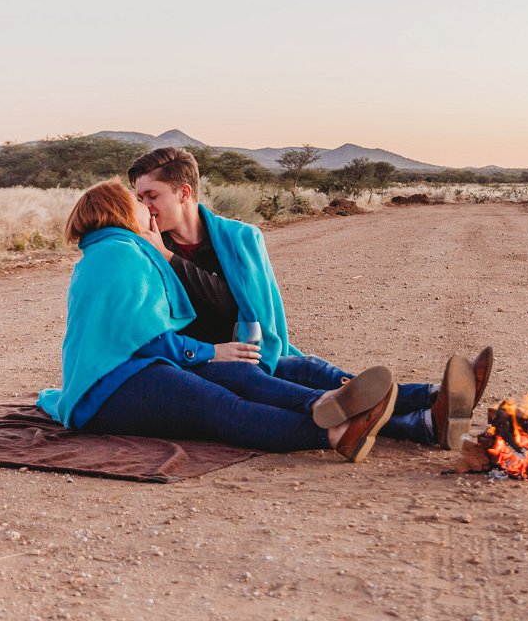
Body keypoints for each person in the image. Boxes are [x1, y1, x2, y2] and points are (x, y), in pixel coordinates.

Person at [127, 147, 494, 449]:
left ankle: (430, 411)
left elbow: (235, 304)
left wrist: (168, 255)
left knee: (310, 369)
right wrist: (165, 254)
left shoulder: (239, 238)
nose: (145, 207)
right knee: (296, 383)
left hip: (245, 349)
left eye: (152, 196)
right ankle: (429, 407)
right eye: (140, 198)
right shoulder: (145, 251)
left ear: (185, 193)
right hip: (197, 361)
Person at [37, 179, 402, 462]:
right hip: (110, 390)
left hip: (132, 374)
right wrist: (211, 351)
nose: (145, 206)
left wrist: (213, 357)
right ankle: (335, 433)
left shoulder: (111, 251)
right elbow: (148, 338)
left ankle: (324, 402)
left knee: (237, 375)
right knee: (222, 406)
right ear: (120, 210)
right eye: (136, 201)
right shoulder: (118, 255)